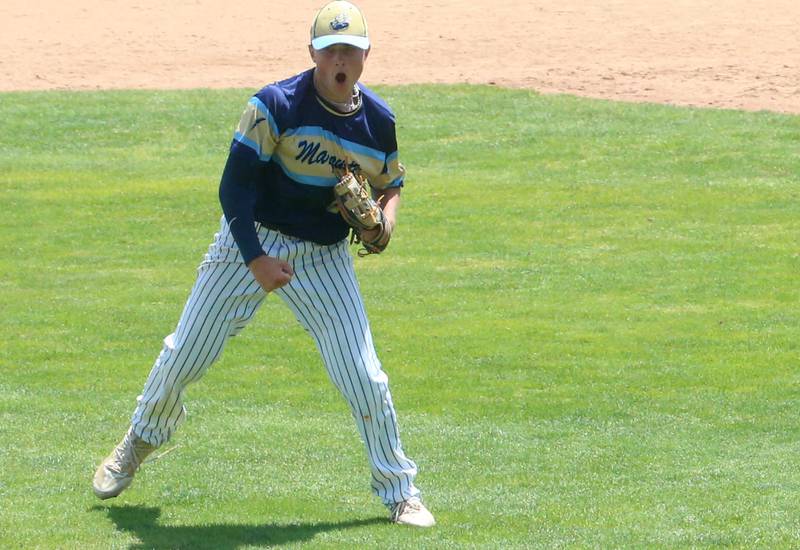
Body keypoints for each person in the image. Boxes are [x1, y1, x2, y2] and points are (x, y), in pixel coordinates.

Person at [92, 0, 435, 528]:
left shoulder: (379, 122)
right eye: (330, 51)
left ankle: (399, 491)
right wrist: (255, 259)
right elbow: (234, 188)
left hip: (323, 257)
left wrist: (386, 223)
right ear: (313, 55)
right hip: (249, 241)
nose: (340, 60)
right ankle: (139, 440)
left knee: (364, 376)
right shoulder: (274, 105)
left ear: (366, 56)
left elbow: (391, 186)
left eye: (350, 50)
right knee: (186, 354)